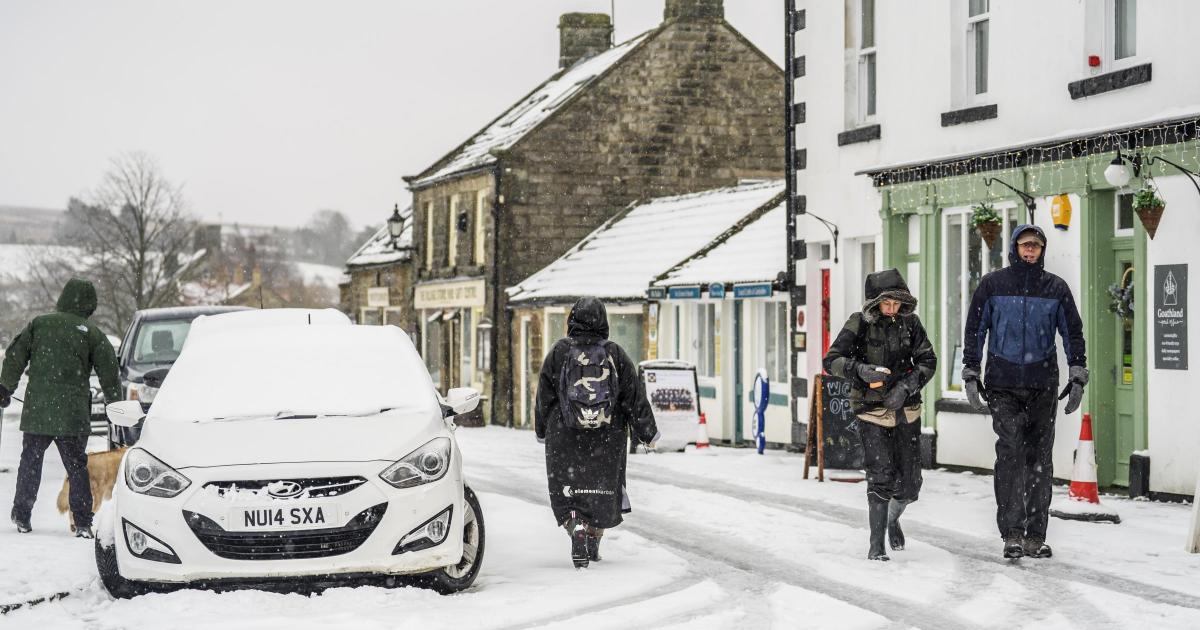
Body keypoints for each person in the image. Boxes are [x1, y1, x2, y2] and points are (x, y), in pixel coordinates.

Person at [962, 224, 1087, 560]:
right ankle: (1012, 533)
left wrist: (1077, 374)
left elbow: (1073, 333)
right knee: (1011, 454)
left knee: (1038, 460)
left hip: (1042, 384)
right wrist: (971, 371)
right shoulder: (993, 285)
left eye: (1036, 246)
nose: (1030, 251)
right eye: (1025, 245)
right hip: (1002, 384)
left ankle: (1035, 535)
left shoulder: (1055, 288)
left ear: (1042, 250)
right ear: (1014, 248)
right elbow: (975, 330)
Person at [535, 297, 659, 569]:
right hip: (608, 434)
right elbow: (633, 395)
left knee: (567, 491)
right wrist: (647, 432)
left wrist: (542, 428)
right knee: (601, 491)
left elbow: (544, 394)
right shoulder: (615, 353)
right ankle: (593, 542)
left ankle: (574, 524)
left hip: (564, 433)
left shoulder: (559, 352)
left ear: (572, 320)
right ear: (604, 321)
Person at [824, 269, 936, 561]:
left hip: (906, 411)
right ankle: (877, 545)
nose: (892, 309)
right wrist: (861, 370)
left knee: (911, 484)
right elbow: (832, 360)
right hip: (871, 411)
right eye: (886, 304)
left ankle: (891, 519)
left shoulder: (911, 324)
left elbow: (928, 360)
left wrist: (907, 386)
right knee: (881, 474)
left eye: (897, 303)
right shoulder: (859, 323)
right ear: (875, 304)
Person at [0, 278, 122, 537]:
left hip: (39, 411)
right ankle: (83, 522)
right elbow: (109, 372)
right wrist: (114, 404)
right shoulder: (92, 333)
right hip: (73, 415)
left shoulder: (39, 324)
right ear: (90, 305)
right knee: (77, 468)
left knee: (30, 462)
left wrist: (4, 387)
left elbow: (15, 355)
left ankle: (22, 514)